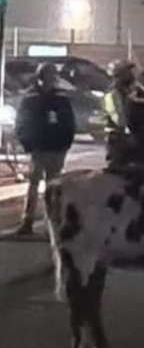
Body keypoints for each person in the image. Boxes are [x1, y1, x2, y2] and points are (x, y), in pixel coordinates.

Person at [13, 63, 75, 235]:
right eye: (47, 77)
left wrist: (65, 143)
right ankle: (28, 220)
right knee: (34, 185)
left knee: (53, 186)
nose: (50, 81)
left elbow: (69, 123)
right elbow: (21, 122)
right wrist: (26, 143)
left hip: (56, 148)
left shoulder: (61, 98)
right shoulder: (31, 98)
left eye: (52, 77)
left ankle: (53, 221)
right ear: (40, 78)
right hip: (38, 148)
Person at [102, 61, 136, 167]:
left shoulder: (131, 93)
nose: (132, 76)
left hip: (131, 138)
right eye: (128, 72)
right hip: (117, 139)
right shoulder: (113, 95)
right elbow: (120, 120)